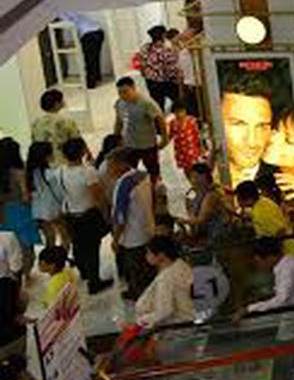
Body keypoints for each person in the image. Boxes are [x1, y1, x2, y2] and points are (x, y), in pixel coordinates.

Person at [59, 138, 108, 294]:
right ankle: (95, 282)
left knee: (78, 245)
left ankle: (84, 272)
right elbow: (98, 196)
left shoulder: (60, 171)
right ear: (82, 152)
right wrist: (105, 214)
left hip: (70, 215)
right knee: (92, 249)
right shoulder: (88, 171)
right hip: (88, 215)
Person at [107, 149, 156, 299]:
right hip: (147, 228)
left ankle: (139, 295)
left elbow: (120, 217)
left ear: (122, 164)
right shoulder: (143, 175)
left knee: (135, 268)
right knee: (147, 266)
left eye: (111, 165)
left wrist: (116, 239)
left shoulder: (124, 184)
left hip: (132, 236)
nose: (108, 169)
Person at [134, 235, 195, 329]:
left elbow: (164, 311)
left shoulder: (166, 278)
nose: (146, 256)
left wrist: (142, 321)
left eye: (149, 253)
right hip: (188, 316)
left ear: (161, 255)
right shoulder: (181, 264)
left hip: (176, 326)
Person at [113, 75, 168, 177]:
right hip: (129, 144)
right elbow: (119, 122)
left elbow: (160, 119)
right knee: (128, 172)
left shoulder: (146, 103)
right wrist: (115, 138)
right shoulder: (119, 103)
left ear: (133, 88)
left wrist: (164, 138)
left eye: (125, 92)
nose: (123, 95)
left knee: (153, 172)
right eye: (120, 92)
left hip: (148, 145)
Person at [248, 235, 294, 313]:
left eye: (259, 261)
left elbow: (282, 300)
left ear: (270, 257)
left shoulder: (285, 269)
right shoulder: (292, 260)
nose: (260, 265)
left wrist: (250, 308)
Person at [25, 141, 66, 250]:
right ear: (46, 156)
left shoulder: (29, 174)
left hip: (38, 212)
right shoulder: (51, 174)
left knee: (49, 238)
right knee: (64, 237)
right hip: (53, 210)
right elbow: (60, 193)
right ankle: (60, 258)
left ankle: (48, 258)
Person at [137, 23, 184, 113]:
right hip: (168, 82)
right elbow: (172, 68)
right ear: (163, 35)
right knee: (179, 104)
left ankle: (161, 121)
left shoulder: (145, 48)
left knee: (158, 107)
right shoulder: (168, 49)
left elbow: (142, 65)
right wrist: (178, 80)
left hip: (152, 82)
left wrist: (146, 75)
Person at [30, 89, 81, 162]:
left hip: (44, 162)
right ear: (56, 104)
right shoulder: (67, 121)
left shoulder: (36, 123)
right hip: (63, 161)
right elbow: (76, 141)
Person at [60, 11, 106, 89]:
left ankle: (90, 84)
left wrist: (69, 41)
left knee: (89, 60)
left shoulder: (62, 13)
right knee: (94, 58)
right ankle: (97, 78)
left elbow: (70, 26)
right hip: (99, 31)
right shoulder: (71, 9)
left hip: (90, 35)